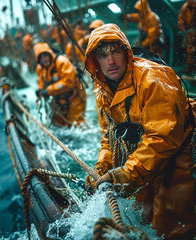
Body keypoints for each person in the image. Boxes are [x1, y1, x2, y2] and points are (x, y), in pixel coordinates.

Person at [84, 23, 196, 239]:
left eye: (115, 51)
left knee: (171, 224)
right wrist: (102, 167)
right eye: (103, 55)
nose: (111, 61)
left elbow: (163, 138)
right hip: (145, 151)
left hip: (179, 149)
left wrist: (127, 173)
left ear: (126, 52)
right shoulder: (103, 93)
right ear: (94, 62)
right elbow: (109, 138)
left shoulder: (153, 80)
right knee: (142, 213)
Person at [34, 42, 86, 127]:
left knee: (76, 123)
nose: (44, 59)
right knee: (59, 123)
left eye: (45, 55)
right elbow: (41, 83)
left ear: (50, 54)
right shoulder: (40, 69)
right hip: (59, 98)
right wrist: (39, 90)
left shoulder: (61, 61)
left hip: (75, 95)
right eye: (41, 57)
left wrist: (48, 90)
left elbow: (69, 82)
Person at [178, 0, 196, 74]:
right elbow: (181, 17)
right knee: (190, 51)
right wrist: (182, 25)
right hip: (190, 33)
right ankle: (191, 68)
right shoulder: (185, 7)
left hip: (193, 31)